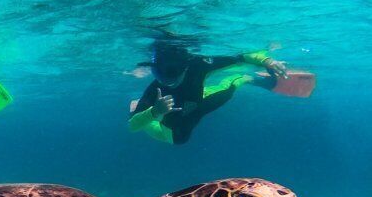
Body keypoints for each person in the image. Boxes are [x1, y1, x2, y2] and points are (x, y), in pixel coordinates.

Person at [127, 39, 315, 145]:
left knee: (230, 87)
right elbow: (132, 127)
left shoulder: (198, 65)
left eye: (172, 72)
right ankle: (142, 110)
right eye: (158, 72)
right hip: (173, 127)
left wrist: (266, 61)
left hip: (198, 105)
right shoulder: (154, 89)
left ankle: (247, 79)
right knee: (177, 140)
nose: (166, 79)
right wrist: (153, 112)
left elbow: (240, 57)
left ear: (186, 65)